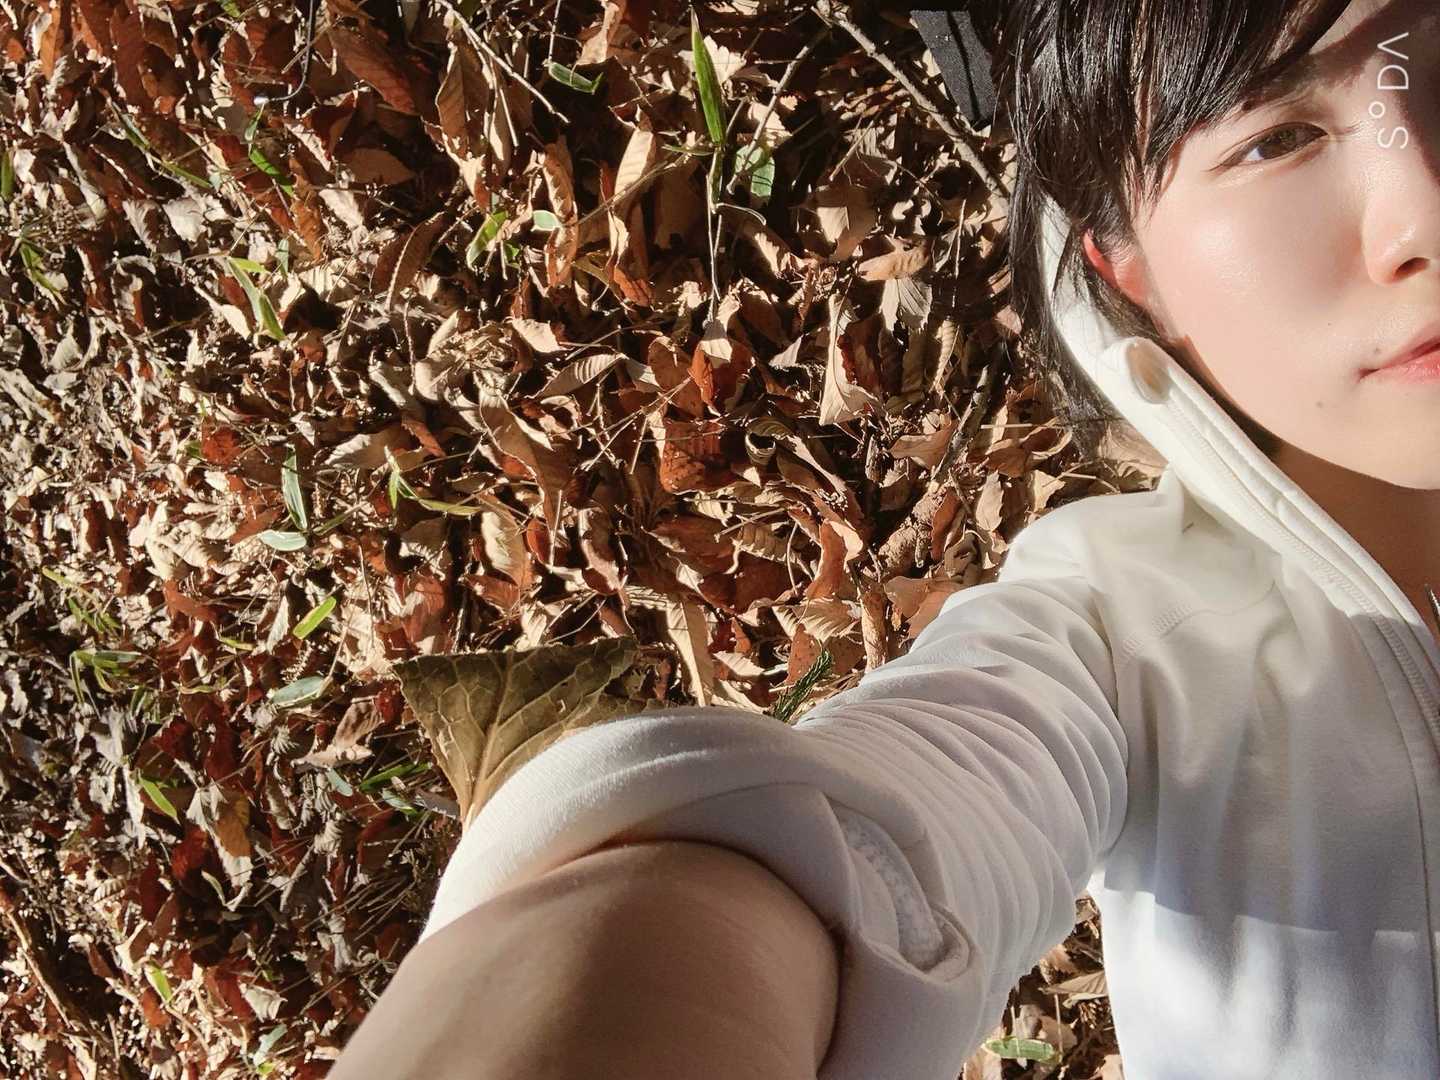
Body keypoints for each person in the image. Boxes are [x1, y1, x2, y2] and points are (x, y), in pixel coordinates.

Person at [330, 0, 1440, 1075]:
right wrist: (671, 912)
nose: (1422, 215)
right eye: (1275, 139)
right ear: (1127, 269)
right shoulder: (1116, 633)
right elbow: (890, 830)